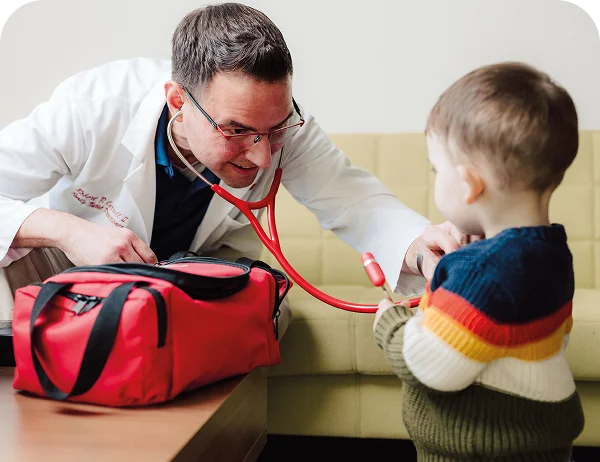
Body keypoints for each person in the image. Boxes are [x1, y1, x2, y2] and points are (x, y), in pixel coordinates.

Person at [0, 3, 469, 331]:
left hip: (176, 291)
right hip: (63, 276)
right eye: (237, 130)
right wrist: (67, 231)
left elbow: (357, 203)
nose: (263, 156)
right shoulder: (96, 106)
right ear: (178, 101)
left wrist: (418, 244)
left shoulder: (288, 130)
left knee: (264, 312)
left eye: (276, 129)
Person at [373, 62, 585, 461]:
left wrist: (391, 323)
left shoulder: (483, 272)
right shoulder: (551, 254)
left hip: (479, 452)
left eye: (436, 168)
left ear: (470, 184)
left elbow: (431, 364)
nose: (435, 176)